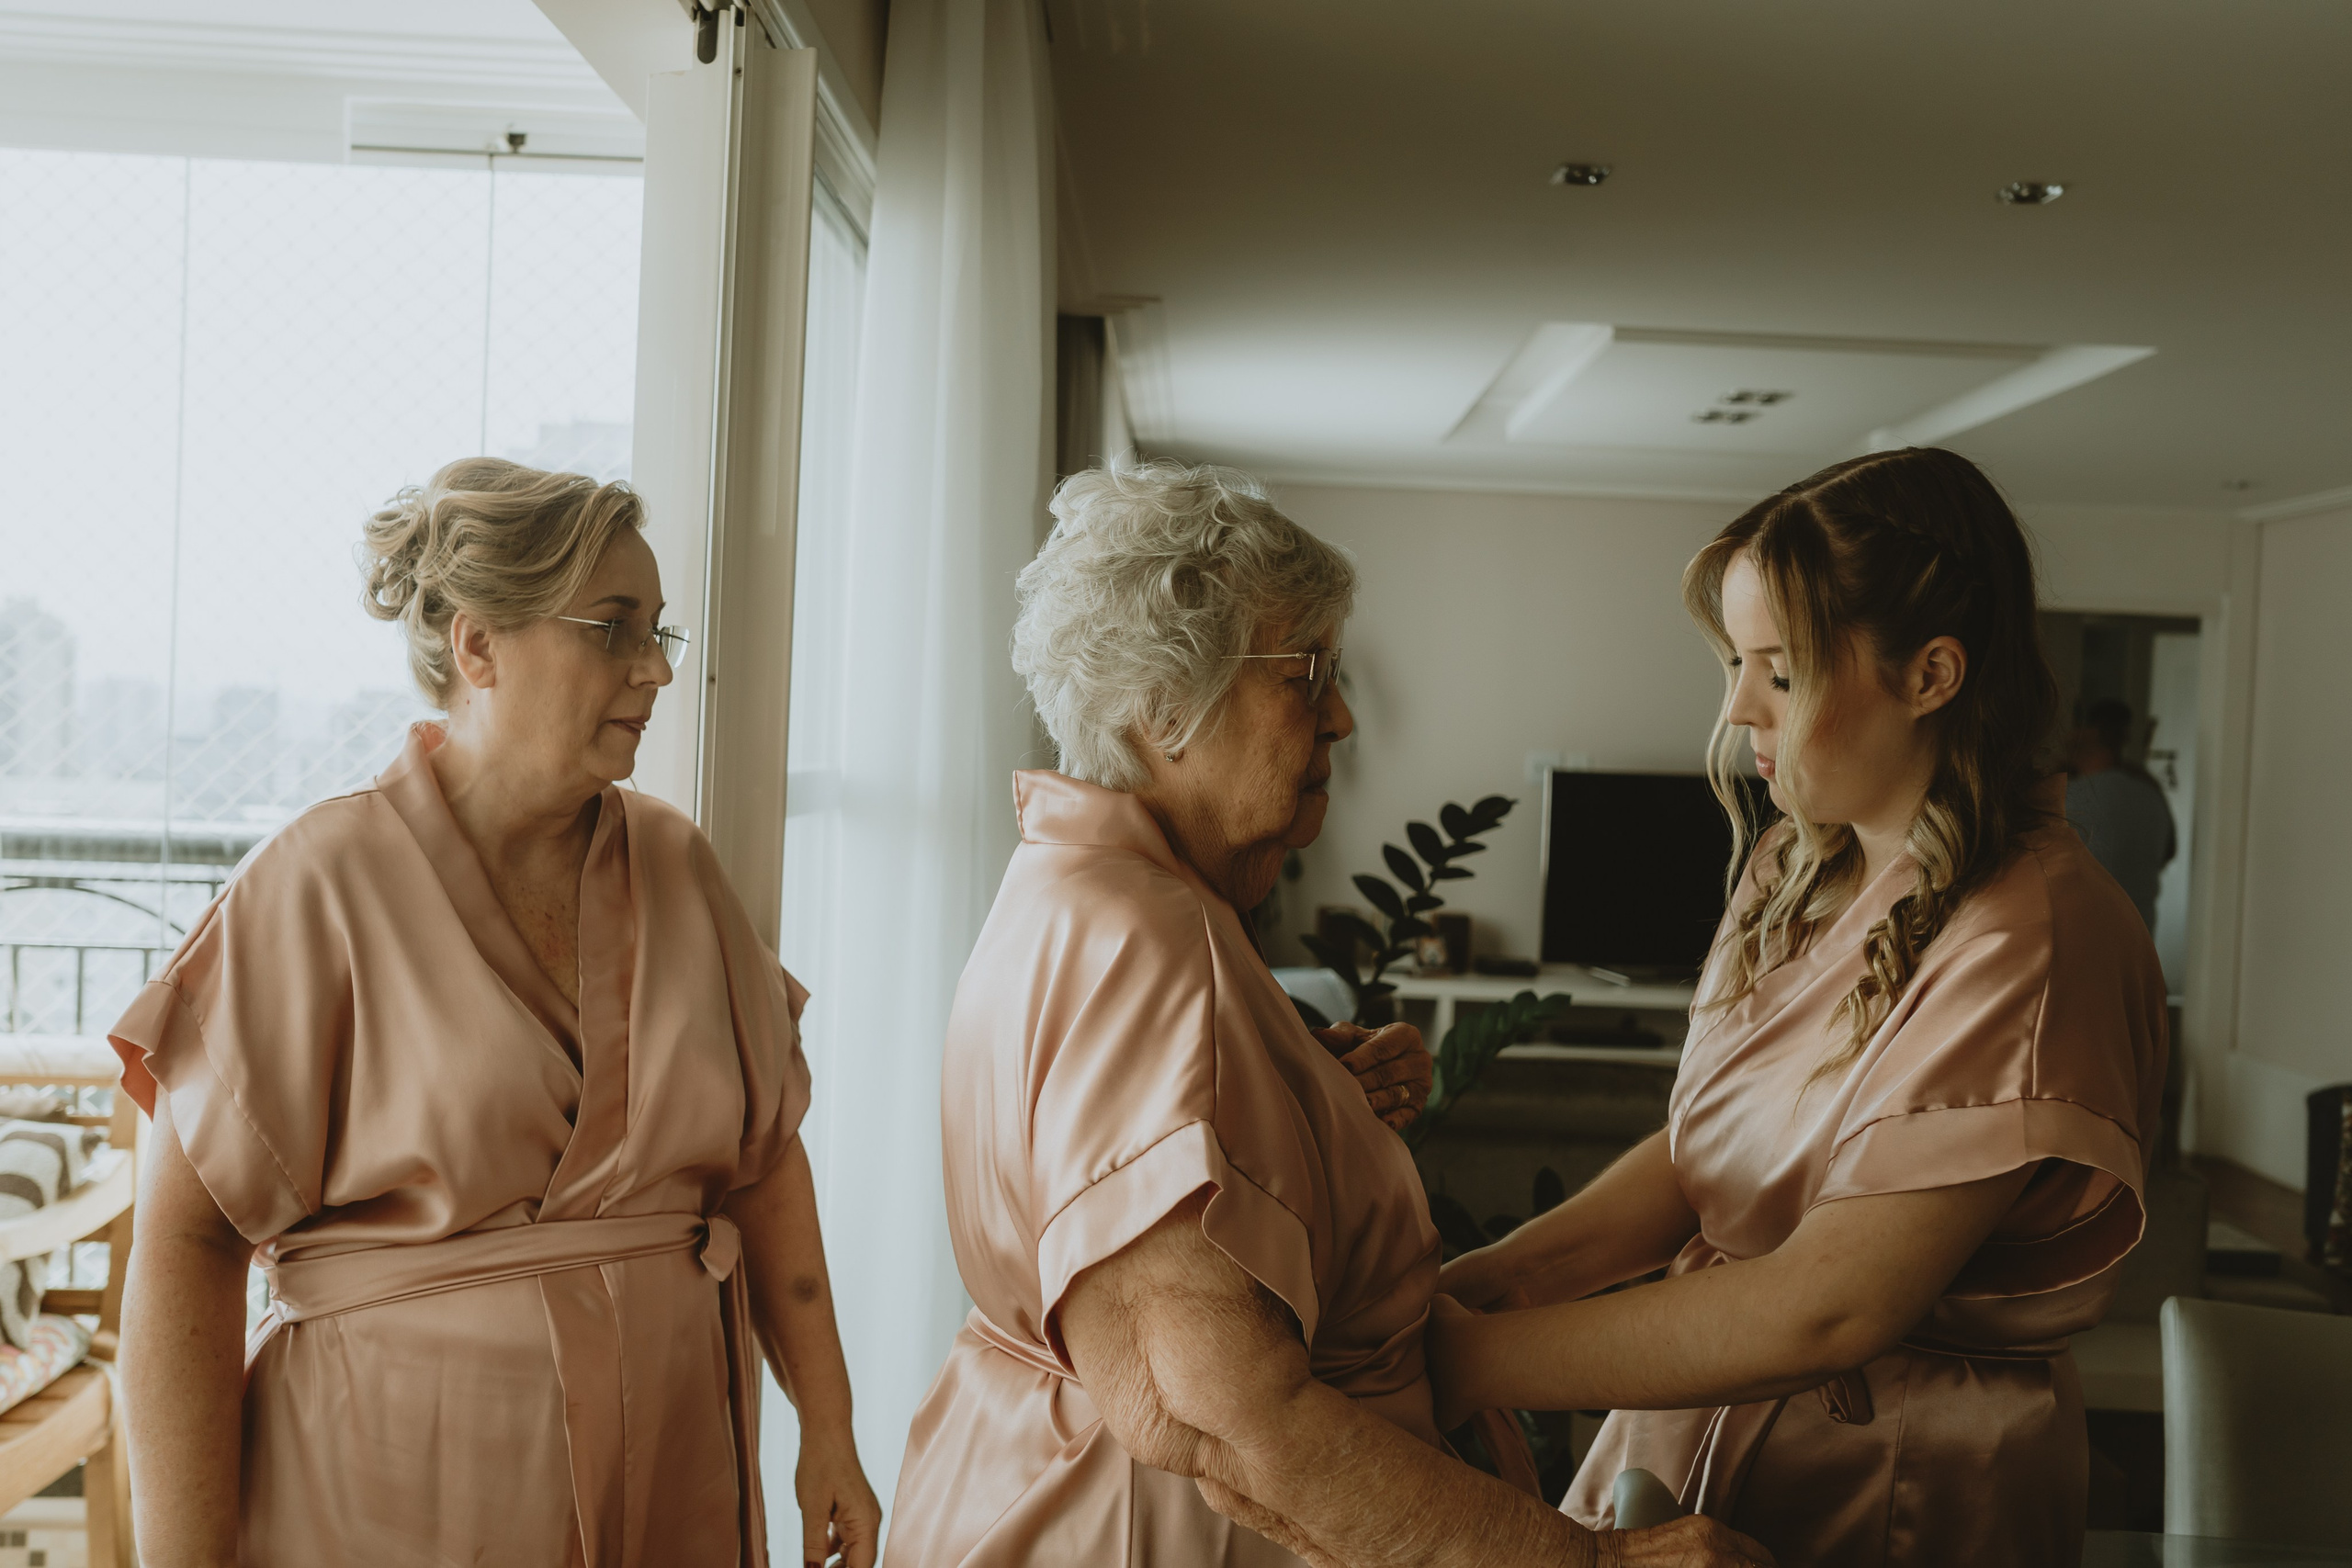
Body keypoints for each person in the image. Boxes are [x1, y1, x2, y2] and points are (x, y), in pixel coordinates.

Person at [886, 462, 1769, 1568]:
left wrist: (1308, 1104)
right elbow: (1228, 1419)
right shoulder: (1141, 947)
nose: (1343, 716)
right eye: (1305, 674)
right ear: (1164, 706)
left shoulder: (1087, 894)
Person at [113, 459, 882, 1567]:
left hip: (671, 1484)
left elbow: (764, 1167)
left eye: (659, 633)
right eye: (613, 628)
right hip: (381, 1499)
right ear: (479, 648)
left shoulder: (678, 865)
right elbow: (186, 1245)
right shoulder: (317, 883)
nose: (654, 671)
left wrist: (830, 1430)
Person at [1429, 447, 2167, 1566]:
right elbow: (1702, 1155)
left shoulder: (2037, 933)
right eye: (1735, 663)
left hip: (1900, 1475)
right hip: (1692, 1422)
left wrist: (1471, 1361)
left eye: (1779, 671)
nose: (1734, 710)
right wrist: (1490, 1284)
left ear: (1931, 675)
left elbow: (1832, 1307)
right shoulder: (1794, 867)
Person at [2065, 696, 2177, 930]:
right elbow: (2169, 851)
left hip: (2086, 940)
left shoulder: (2067, 796)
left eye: (2074, 726)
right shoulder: (2149, 791)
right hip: (2141, 940)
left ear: (2090, 732)